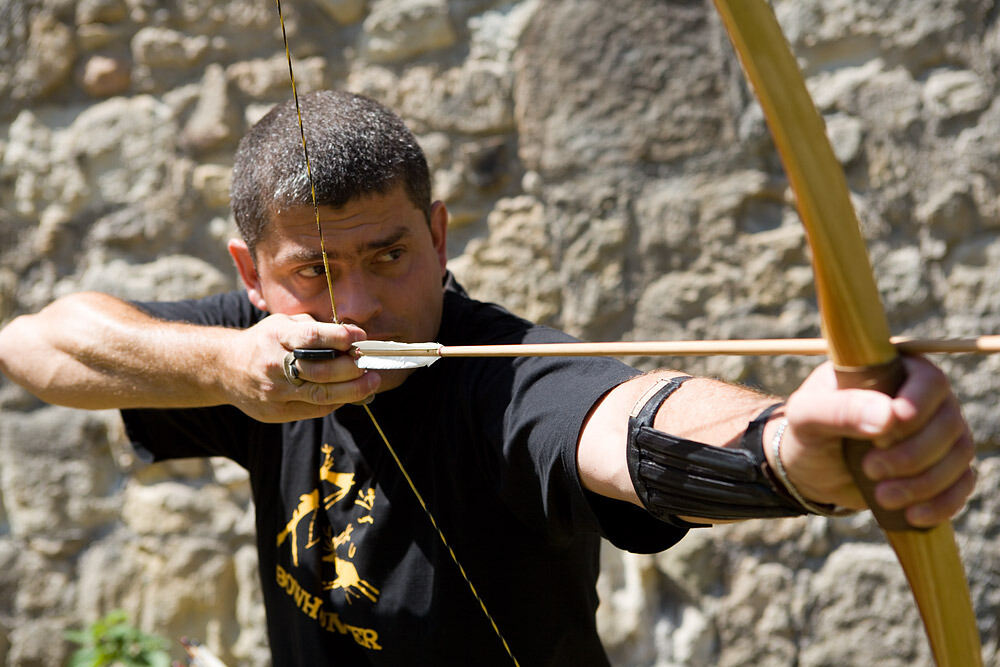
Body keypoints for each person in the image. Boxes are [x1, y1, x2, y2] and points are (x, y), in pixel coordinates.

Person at [0, 90, 975, 666]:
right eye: (314, 273)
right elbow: (36, 343)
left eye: (388, 256)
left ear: (437, 235)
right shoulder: (254, 352)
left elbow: (619, 417)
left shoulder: (501, 375)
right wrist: (219, 364)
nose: (363, 308)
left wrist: (790, 453)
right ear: (249, 276)